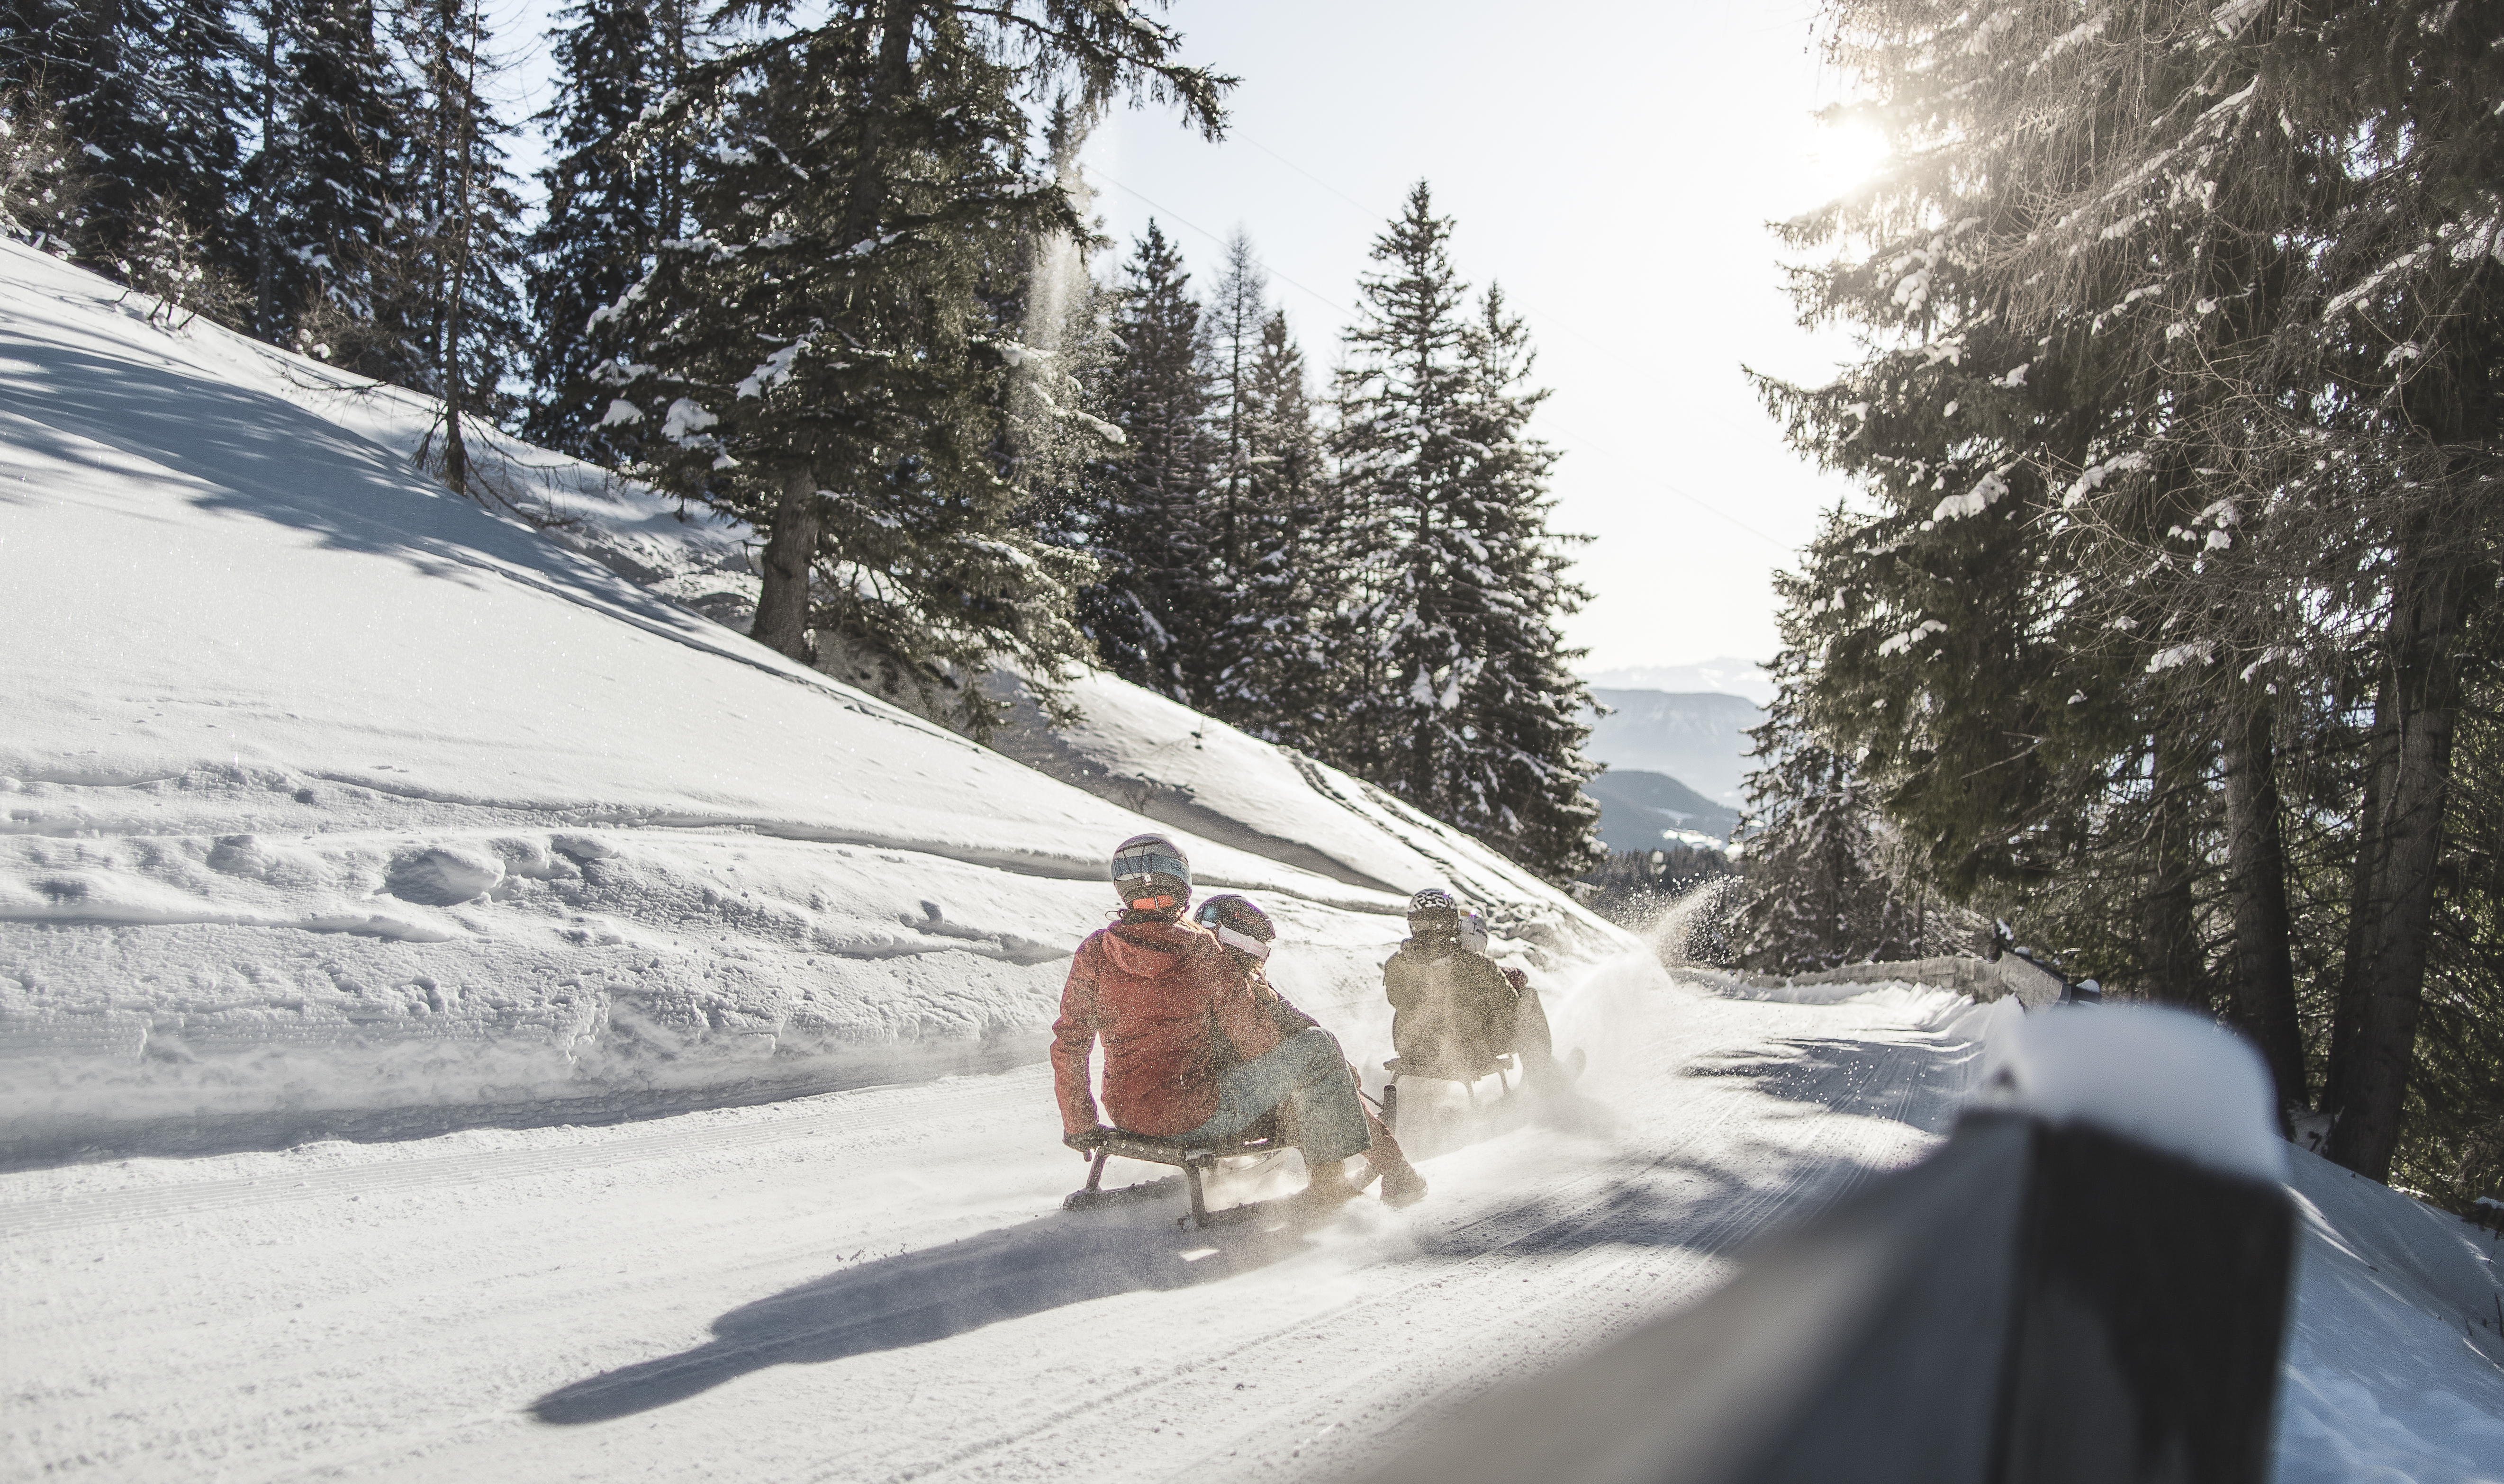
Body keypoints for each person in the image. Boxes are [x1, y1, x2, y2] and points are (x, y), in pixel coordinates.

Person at [1051, 834, 1421, 1208]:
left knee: (1306, 1058)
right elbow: (1253, 1040)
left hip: (1127, 1112)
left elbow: (1069, 1042)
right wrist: (1324, 1067)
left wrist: (1080, 1124)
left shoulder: (1094, 951)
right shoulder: (1201, 952)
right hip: (1193, 1115)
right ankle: (1332, 1185)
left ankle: (1358, 1172)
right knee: (1318, 1048)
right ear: (1182, 886)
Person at [1194, 893, 1425, 1206]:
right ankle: (1374, 1175)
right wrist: (1333, 1067)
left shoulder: (1207, 977)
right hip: (1231, 1104)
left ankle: (1362, 1176)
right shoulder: (1237, 988)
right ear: (1242, 943)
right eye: (1259, 949)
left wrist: (1334, 1061)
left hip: (1216, 1097)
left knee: (1317, 1073)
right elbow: (1271, 1039)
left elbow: (1299, 1023)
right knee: (1313, 1090)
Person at [1381, 888, 1568, 1096]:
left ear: (1413, 925)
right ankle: (1543, 1079)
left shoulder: (1396, 964)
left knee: (1415, 1011)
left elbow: (1400, 1001)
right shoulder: (1475, 964)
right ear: (1453, 923)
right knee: (1527, 999)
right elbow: (1510, 1006)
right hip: (1468, 1055)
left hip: (1415, 1051)